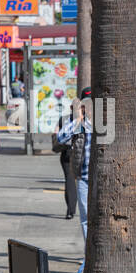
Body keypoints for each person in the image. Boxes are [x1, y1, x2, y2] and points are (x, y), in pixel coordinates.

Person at [55, 88, 94, 238]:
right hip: (84, 176)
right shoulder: (77, 122)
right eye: (85, 103)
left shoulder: (103, 120)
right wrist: (78, 120)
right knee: (85, 219)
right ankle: (87, 256)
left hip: (100, 177)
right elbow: (61, 138)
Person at [53, 116, 78, 219]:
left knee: (69, 179)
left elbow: (56, 133)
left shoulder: (64, 119)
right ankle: (71, 208)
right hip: (78, 152)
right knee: (74, 181)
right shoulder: (84, 120)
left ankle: (70, 209)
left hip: (66, 152)